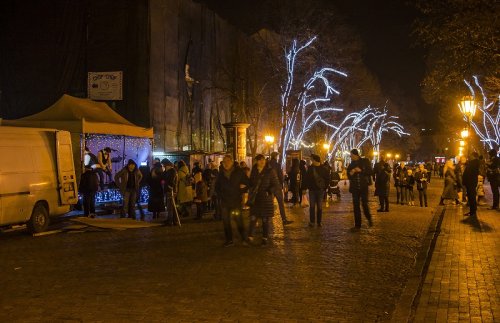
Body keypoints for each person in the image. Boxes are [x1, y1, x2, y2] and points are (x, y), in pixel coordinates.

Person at [215, 154, 249, 247]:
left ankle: (244, 238)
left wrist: (242, 190)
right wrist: (220, 194)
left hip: (235, 201)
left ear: (232, 162)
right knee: (226, 221)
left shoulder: (239, 172)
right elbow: (217, 186)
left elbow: (247, 183)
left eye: (227, 161)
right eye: (224, 162)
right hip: (225, 201)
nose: (225, 163)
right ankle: (229, 240)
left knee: (238, 220)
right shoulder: (221, 174)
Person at [248, 154, 281, 246]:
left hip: (266, 199)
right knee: (253, 218)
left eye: (263, 160)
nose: (262, 161)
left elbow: (277, 184)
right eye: (259, 160)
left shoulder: (270, 171)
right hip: (256, 199)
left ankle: (264, 238)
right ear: (256, 161)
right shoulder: (254, 171)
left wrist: (269, 191)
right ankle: (250, 237)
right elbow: (251, 183)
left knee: (265, 219)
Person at [347, 149, 373, 229]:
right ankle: (357, 225)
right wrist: (351, 173)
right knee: (356, 206)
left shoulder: (365, 161)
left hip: (363, 186)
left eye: (351, 155)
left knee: (364, 204)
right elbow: (349, 176)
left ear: (356, 155)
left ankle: (369, 218)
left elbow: (370, 171)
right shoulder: (351, 164)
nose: (350, 157)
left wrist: (361, 170)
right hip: (355, 188)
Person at [304, 154, 331, 227]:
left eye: (312, 160)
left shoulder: (322, 169)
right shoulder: (312, 168)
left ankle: (318, 222)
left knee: (319, 206)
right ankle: (313, 222)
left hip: (319, 190)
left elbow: (327, 179)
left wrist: (324, 188)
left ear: (315, 160)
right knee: (313, 206)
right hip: (313, 190)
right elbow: (307, 179)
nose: (311, 161)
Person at [269, 152, 293, 226]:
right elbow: (280, 176)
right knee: (280, 204)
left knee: (269, 204)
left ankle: (267, 220)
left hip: (269, 187)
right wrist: (282, 184)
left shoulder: (267, 164)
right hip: (277, 186)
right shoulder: (277, 165)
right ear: (275, 156)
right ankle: (284, 219)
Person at [463, 152, 480, 217]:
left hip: (471, 182)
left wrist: (466, 180)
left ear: (473, 156)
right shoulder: (473, 163)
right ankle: (472, 211)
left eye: (470, 155)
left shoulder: (474, 163)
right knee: (471, 197)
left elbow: (470, 173)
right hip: (470, 182)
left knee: (471, 197)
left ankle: (472, 212)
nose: (469, 156)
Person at [162, 159, 178, 226]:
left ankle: (170, 220)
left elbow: (171, 181)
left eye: (164, 165)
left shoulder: (172, 171)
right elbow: (164, 178)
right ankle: (172, 219)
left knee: (170, 206)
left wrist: (169, 186)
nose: (164, 167)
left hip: (170, 190)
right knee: (170, 206)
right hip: (168, 190)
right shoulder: (168, 171)